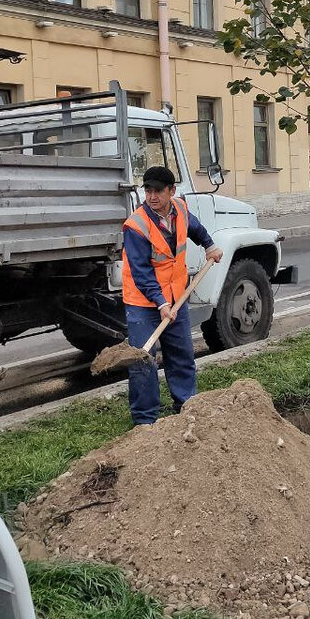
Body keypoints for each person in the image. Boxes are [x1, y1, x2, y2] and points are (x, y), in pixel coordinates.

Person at [122, 165, 223, 424]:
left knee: (182, 355)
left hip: (176, 298)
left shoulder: (179, 209)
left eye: (158, 191)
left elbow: (196, 229)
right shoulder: (136, 225)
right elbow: (142, 272)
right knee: (144, 360)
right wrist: (161, 304)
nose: (152, 196)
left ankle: (187, 406)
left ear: (171, 191)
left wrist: (210, 246)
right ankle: (145, 420)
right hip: (144, 303)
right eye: (148, 191)